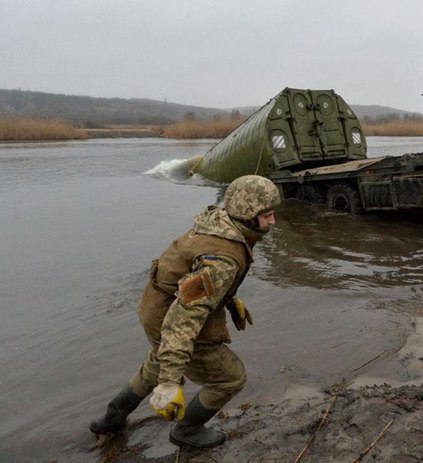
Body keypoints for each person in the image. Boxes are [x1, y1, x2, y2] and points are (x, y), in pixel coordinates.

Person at [89, 174, 281, 448]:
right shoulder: (223, 259)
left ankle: (111, 419)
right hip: (170, 315)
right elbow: (184, 319)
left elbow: (192, 275)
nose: (272, 222)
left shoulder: (218, 223)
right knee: (230, 378)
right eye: (267, 215)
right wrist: (170, 383)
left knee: (154, 365)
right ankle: (187, 430)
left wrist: (228, 298)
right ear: (247, 214)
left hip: (153, 306)